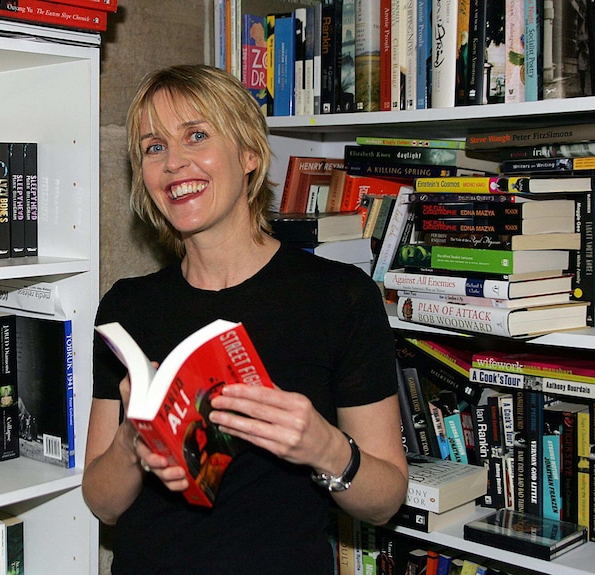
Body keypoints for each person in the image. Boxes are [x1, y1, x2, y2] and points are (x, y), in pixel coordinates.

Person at [82, 64, 408, 574]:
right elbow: (102, 503)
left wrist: (325, 447)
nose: (173, 163)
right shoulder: (128, 306)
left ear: (249, 154)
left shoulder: (340, 296)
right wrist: (133, 442)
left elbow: (385, 499)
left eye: (196, 135)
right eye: (153, 147)